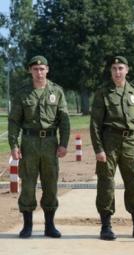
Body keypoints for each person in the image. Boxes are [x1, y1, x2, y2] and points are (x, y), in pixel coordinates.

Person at [90, 56, 134, 241]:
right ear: (111, 71)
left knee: (133, 183)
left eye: (121, 68)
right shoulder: (103, 92)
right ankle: (106, 226)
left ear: (127, 70)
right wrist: (98, 149)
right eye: (114, 68)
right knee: (106, 184)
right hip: (109, 141)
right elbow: (95, 124)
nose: (117, 72)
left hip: (131, 143)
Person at [8, 55, 70, 238]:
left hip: (51, 143)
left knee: (50, 184)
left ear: (47, 70)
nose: (39, 72)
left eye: (42, 69)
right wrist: (14, 144)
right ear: (30, 71)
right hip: (29, 143)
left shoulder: (57, 91)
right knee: (27, 183)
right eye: (35, 69)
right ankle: (27, 225)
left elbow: (64, 120)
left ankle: (49, 226)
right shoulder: (22, 93)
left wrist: (64, 143)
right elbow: (14, 121)